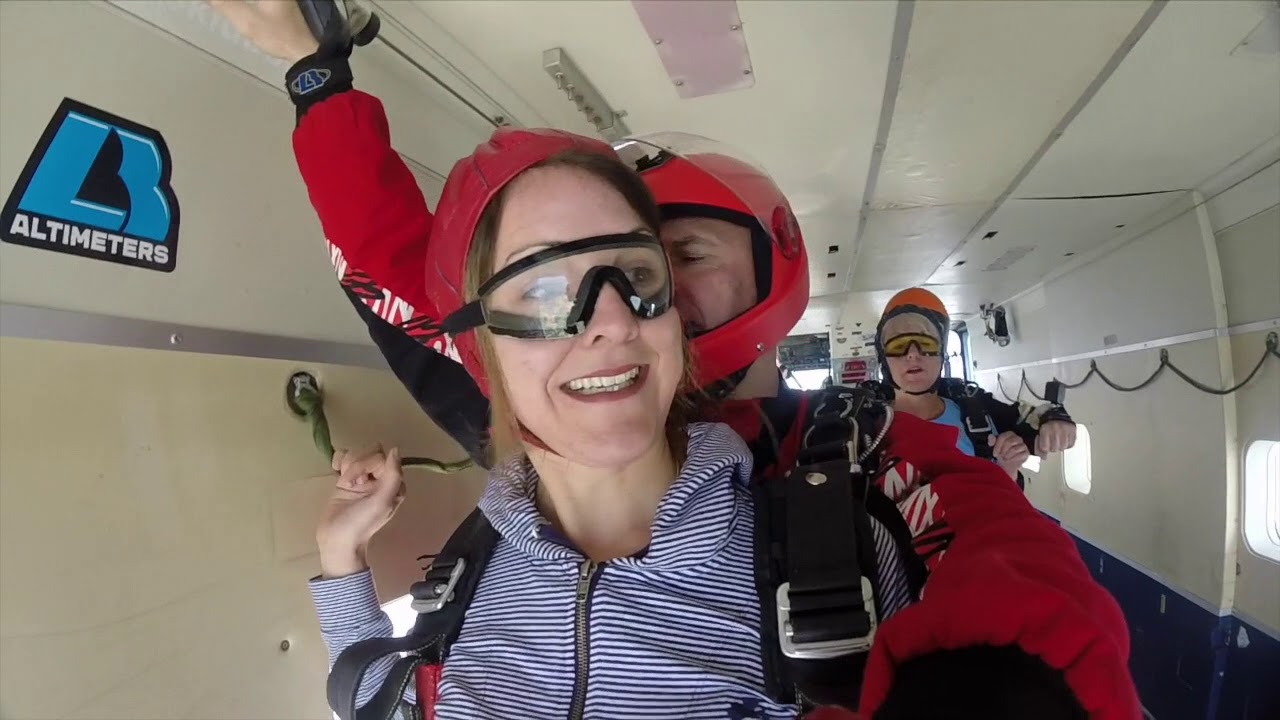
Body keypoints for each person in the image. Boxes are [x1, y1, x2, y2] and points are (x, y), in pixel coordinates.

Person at [869, 287, 1077, 484]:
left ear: (942, 352)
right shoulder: (864, 424)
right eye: (898, 346)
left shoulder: (975, 408)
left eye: (926, 344)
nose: (912, 354)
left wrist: (1055, 421)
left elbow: (1035, 422)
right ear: (883, 358)